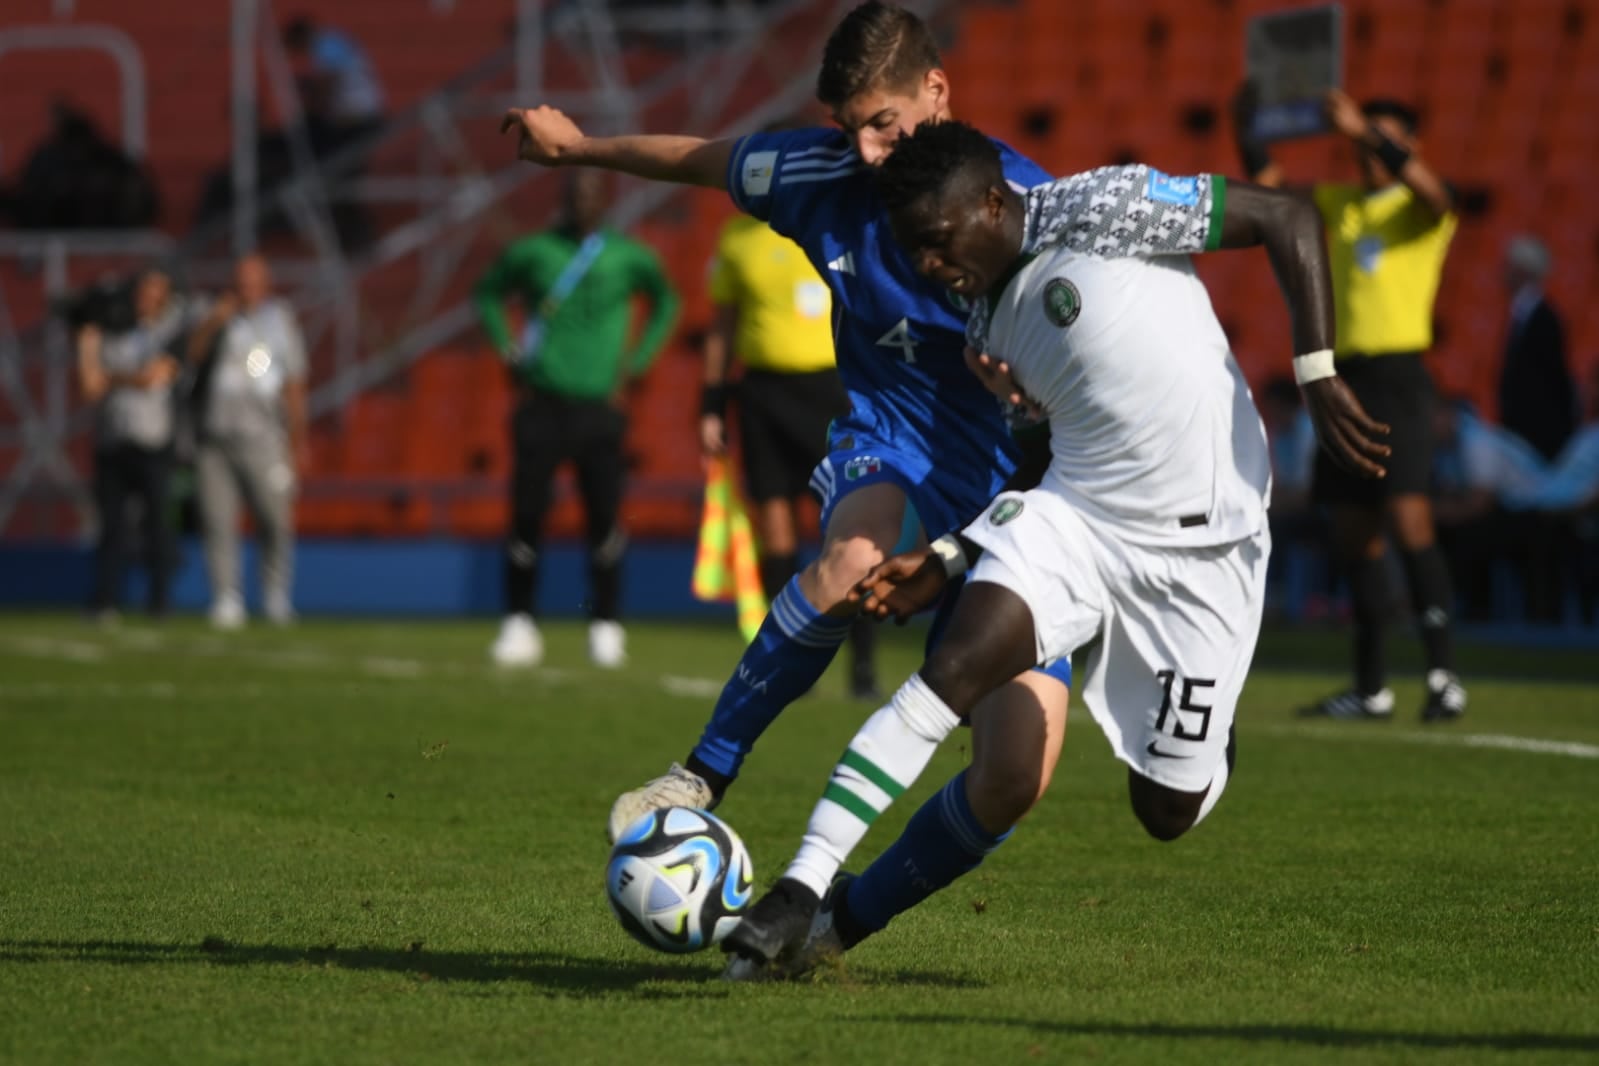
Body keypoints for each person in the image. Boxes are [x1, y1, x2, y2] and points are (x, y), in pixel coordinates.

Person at [720, 118, 1387, 974]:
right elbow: (1041, 455)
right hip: (1076, 517)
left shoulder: (1101, 206)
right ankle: (809, 897)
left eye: (937, 240)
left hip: (1203, 545)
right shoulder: (975, 316)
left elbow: (1285, 216)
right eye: (910, 249)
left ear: (992, 202)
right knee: (953, 669)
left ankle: (1209, 734)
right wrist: (955, 556)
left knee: (1164, 809)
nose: (927, 265)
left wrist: (1317, 373)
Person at [505, 4, 1078, 879]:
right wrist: (578, 149)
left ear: (937, 90)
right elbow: (697, 157)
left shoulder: (1024, 205)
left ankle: (836, 919)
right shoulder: (813, 175)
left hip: (1012, 470)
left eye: (885, 125)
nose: (868, 153)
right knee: (850, 558)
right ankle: (697, 775)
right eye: (851, 130)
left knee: (1013, 776)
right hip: (887, 426)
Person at [1234, 87, 1466, 722]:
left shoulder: (1419, 212)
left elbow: (1438, 195)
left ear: (1408, 146)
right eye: (1361, 139)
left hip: (1400, 377)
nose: (1365, 150)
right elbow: (1272, 191)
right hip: (1343, 376)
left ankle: (1444, 675)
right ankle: (1372, 686)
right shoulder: (1340, 205)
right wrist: (1248, 129)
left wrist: (1363, 129)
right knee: (1353, 531)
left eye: (1382, 138)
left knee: (1408, 517)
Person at [477, 170, 680, 669]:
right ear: (563, 200)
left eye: (593, 195)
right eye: (576, 194)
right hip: (541, 400)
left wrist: (637, 363)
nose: (584, 202)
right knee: (526, 514)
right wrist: (507, 348)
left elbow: (667, 300)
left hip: (600, 406)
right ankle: (519, 622)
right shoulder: (534, 252)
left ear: (606, 201)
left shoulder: (628, 255)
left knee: (604, 519)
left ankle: (606, 626)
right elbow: (487, 293)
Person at [701, 207, 880, 699]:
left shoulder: (828, 229)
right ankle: (784, 663)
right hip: (760, 395)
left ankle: (862, 664)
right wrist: (711, 404)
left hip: (828, 393)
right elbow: (722, 325)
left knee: (850, 528)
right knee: (775, 528)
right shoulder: (737, 239)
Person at [186, 254, 309, 629]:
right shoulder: (213, 315)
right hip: (215, 437)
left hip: (264, 437)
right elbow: (189, 356)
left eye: (253, 282)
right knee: (218, 521)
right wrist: (214, 322)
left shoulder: (280, 321)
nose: (246, 290)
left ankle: (275, 595)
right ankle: (226, 597)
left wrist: (298, 439)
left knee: (275, 519)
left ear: (266, 284)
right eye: (241, 282)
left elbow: (293, 384)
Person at [76, 269, 191, 620]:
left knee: (157, 524)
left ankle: (159, 601)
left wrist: (112, 377)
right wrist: (88, 345)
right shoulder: (113, 329)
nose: (148, 298)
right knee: (110, 526)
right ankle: (106, 600)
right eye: (145, 290)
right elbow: (90, 387)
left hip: (154, 440)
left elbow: (152, 377)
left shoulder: (172, 331)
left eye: (157, 291)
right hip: (114, 439)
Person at [1497, 235, 1576, 464]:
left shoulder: (1545, 319)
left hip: (1536, 435)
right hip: (1518, 430)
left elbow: (1551, 378)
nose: (1503, 273)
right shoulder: (1521, 315)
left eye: (1509, 266)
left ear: (1522, 271)